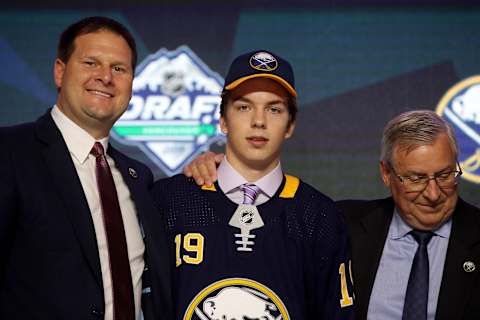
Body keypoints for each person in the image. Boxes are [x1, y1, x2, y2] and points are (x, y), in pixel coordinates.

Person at [153, 50, 355, 320]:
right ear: (223, 120)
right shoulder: (170, 200)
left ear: (290, 125)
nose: (259, 121)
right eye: (243, 107)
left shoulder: (318, 216)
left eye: (274, 109)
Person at [0, 16, 172, 320]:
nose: (105, 77)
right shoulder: (10, 153)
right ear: (60, 71)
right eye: (91, 63)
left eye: (119, 68)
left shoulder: (139, 177)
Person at [337, 110, 480, 320]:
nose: (433, 194)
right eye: (416, 178)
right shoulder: (343, 225)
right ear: (386, 174)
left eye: (444, 175)